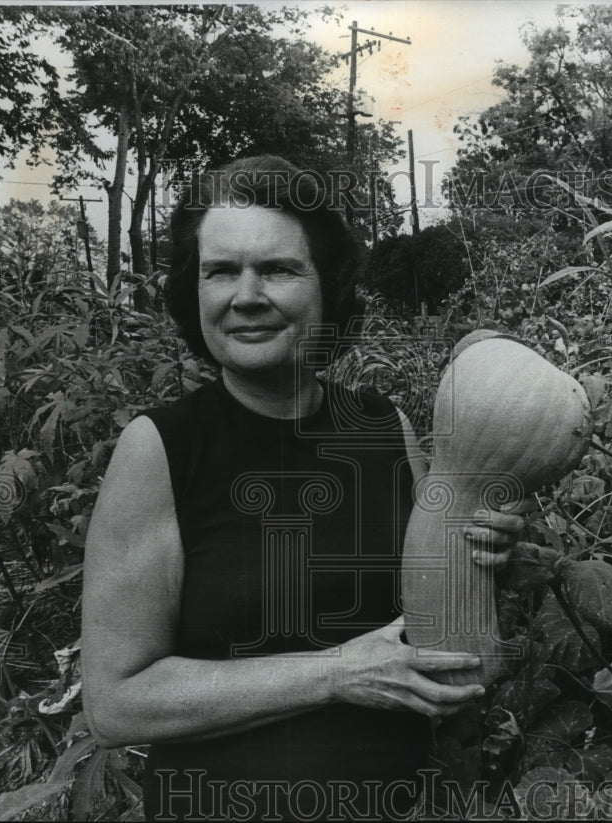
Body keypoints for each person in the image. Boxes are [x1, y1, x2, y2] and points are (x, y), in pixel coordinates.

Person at [81, 156, 528, 821]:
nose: (247, 294)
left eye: (279, 269)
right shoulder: (163, 448)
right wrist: (336, 673)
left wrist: (487, 553)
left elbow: (446, 645)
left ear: (329, 288)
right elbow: (116, 701)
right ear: (193, 291)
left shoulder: (386, 428)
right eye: (221, 270)